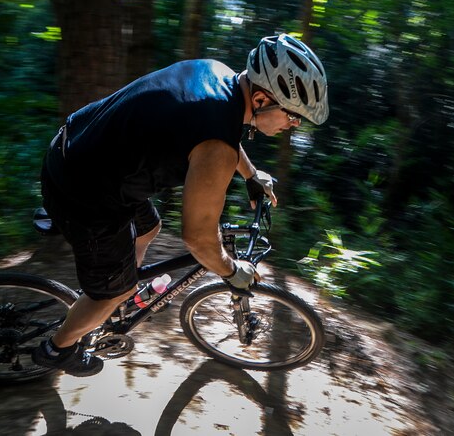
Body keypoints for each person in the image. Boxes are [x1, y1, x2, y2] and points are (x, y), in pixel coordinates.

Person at [31, 34, 329, 376]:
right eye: (293, 115)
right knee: (114, 290)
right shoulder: (217, 149)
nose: (293, 125)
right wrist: (232, 271)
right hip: (86, 192)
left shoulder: (216, 72)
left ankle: (115, 288)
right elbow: (199, 238)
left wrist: (251, 173)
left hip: (74, 149)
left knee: (150, 227)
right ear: (261, 98)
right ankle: (60, 347)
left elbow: (218, 128)